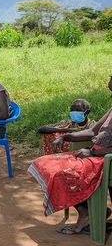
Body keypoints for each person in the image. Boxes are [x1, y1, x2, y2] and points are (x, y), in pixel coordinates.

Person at [28, 81, 112, 235]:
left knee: (61, 174)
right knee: (45, 163)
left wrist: (92, 153)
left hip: (104, 158)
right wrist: (66, 136)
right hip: (95, 153)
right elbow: (92, 132)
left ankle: (85, 213)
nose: (110, 90)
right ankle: (88, 209)